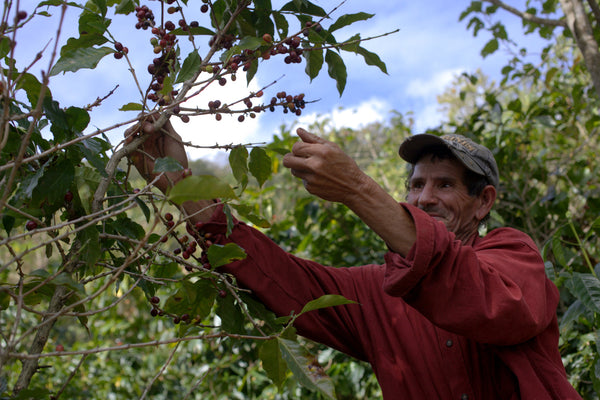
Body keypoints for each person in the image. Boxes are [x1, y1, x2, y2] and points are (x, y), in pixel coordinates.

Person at [127, 118, 581, 399]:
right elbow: (284, 280)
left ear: (483, 202)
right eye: (416, 185)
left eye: (444, 185)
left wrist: (357, 189)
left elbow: (492, 305)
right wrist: (180, 185)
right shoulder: (377, 287)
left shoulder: (514, 255)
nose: (424, 198)